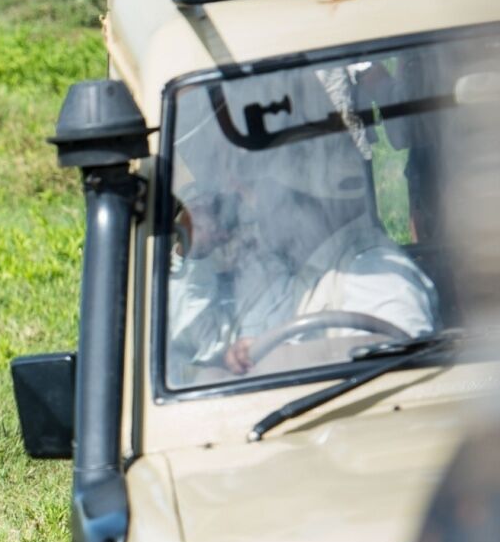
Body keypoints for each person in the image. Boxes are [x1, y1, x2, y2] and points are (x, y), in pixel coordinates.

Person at [167, 151, 440, 383]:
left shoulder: (373, 269)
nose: (251, 211)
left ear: (306, 201)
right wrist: (190, 249)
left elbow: (402, 371)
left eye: (258, 195)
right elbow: (198, 343)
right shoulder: (286, 269)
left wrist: (281, 359)